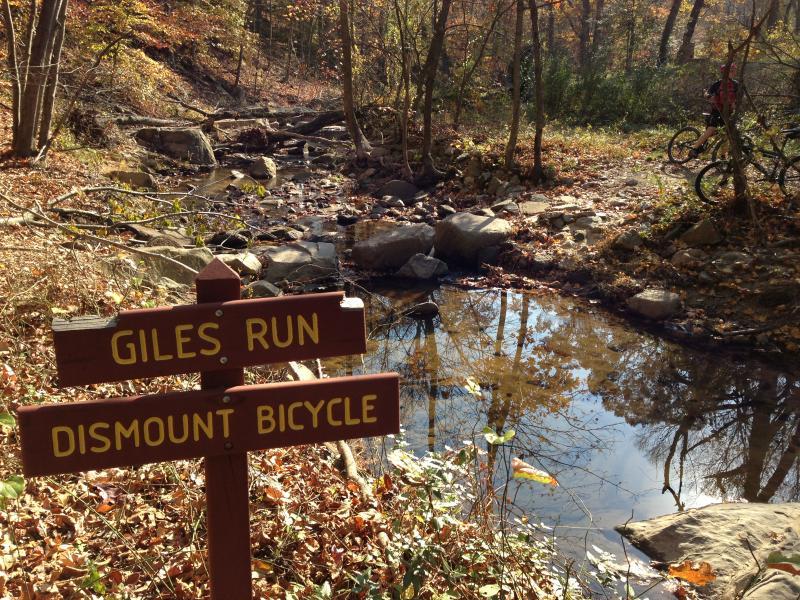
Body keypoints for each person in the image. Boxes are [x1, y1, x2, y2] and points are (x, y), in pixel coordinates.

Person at [689, 64, 739, 158]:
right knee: (711, 129)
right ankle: (694, 148)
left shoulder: (736, 84)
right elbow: (708, 93)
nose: (733, 72)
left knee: (726, 134)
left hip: (729, 113)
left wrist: (735, 104)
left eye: (734, 70)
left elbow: (738, 97)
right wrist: (708, 96)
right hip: (717, 111)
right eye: (731, 70)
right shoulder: (718, 84)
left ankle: (723, 156)